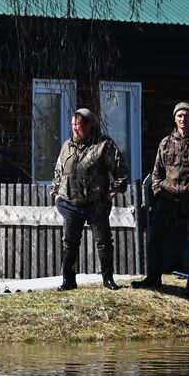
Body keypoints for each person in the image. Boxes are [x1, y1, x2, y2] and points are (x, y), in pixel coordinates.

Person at [133, 101, 189, 298]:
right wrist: (158, 190)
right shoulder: (165, 143)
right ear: (175, 118)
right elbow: (156, 173)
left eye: (187, 115)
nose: (183, 119)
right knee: (155, 238)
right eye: (180, 115)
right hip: (169, 200)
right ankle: (153, 279)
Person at [52, 107, 130, 291]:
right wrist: (55, 193)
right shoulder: (67, 146)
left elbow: (121, 171)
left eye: (78, 125)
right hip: (71, 202)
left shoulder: (104, 145)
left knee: (103, 241)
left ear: (90, 125)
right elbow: (58, 171)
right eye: (73, 125)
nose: (75, 129)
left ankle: (108, 280)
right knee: (69, 243)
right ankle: (68, 281)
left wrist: (113, 190)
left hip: (96, 203)